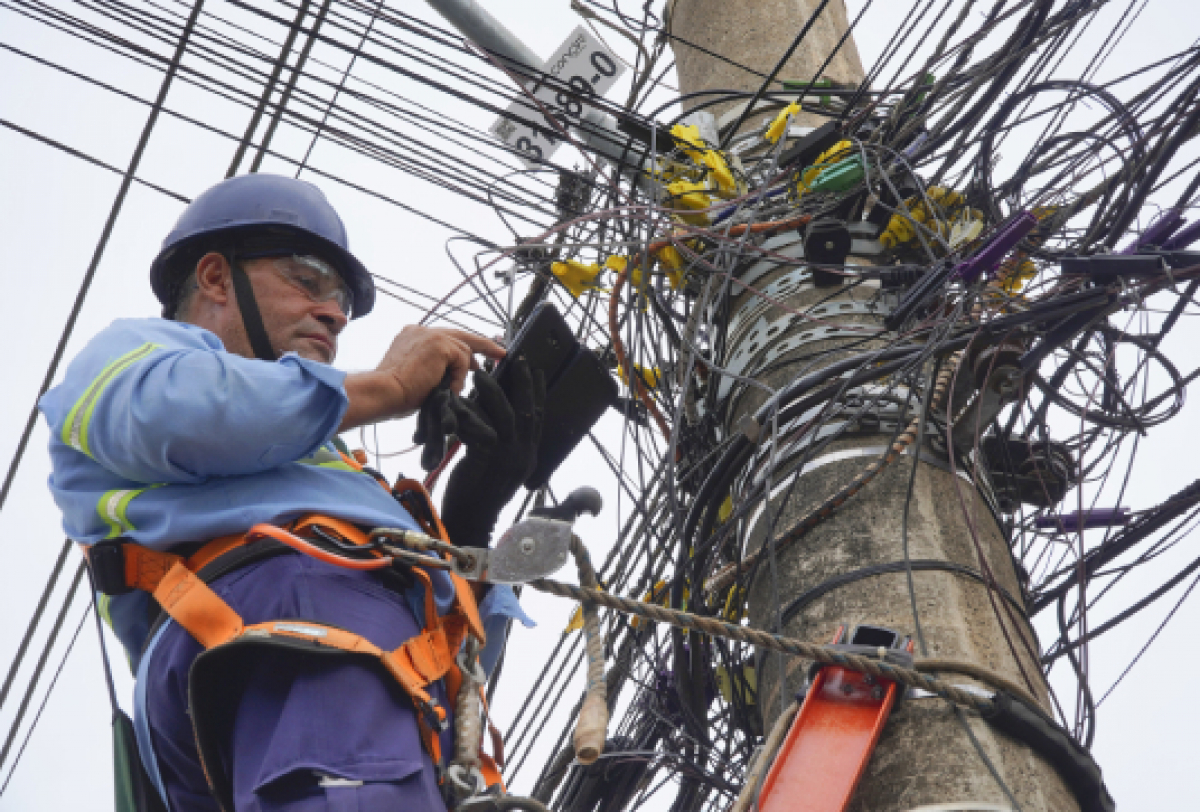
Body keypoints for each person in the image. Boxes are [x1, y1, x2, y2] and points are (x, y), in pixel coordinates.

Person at [38, 174, 542, 812]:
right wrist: (385, 386)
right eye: (308, 280)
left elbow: (453, 666)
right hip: (279, 640)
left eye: (342, 301)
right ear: (217, 279)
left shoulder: (328, 467)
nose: (334, 312)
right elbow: (188, 416)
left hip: (398, 723)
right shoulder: (137, 355)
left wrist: (473, 516)